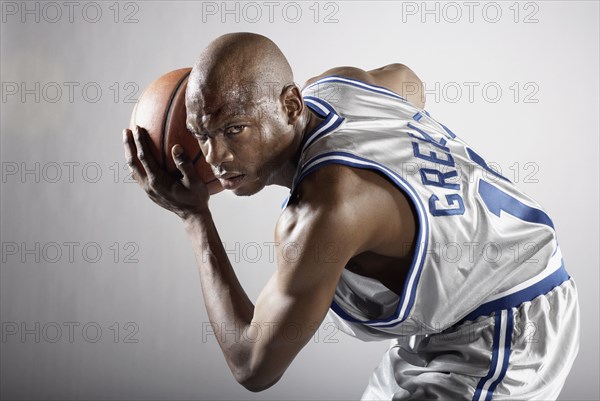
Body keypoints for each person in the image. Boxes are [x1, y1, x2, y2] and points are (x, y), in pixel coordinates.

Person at [122, 32, 579, 400]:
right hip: (464, 308)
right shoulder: (338, 86)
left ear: (290, 107)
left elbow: (253, 365)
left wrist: (195, 219)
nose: (216, 156)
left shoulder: (324, 212)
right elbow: (407, 82)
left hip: (508, 329)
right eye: (202, 134)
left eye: (234, 129)